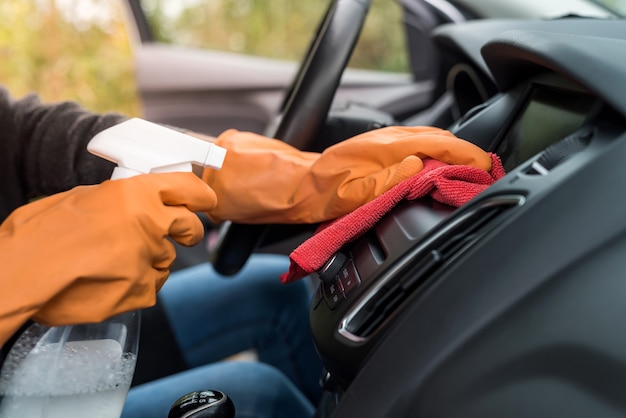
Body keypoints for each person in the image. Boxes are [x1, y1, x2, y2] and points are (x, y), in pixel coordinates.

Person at [0, 86, 494, 417]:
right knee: (260, 396)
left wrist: (291, 178)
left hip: (27, 339)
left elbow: (23, 136)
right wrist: (15, 274)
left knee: (271, 292)